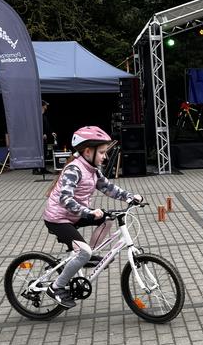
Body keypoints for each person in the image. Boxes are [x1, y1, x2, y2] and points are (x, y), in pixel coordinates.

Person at [43, 126, 143, 309]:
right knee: (84, 251)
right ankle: (56, 287)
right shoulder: (74, 169)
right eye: (102, 152)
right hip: (58, 218)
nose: (105, 156)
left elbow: (108, 187)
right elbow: (65, 199)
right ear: (88, 151)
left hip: (74, 215)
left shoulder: (93, 169)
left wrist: (129, 196)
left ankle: (87, 255)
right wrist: (88, 212)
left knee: (109, 217)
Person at [33, 100, 57, 175]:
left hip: (44, 138)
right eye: (46, 105)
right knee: (38, 153)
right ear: (42, 106)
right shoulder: (37, 116)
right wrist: (42, 134)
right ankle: (35, 170)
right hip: (38, 138)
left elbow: (47, 127)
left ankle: (43, 169)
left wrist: (51, 132)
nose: (47, 106)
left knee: (44, 153)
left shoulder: (44, 115)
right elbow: (36, 127)